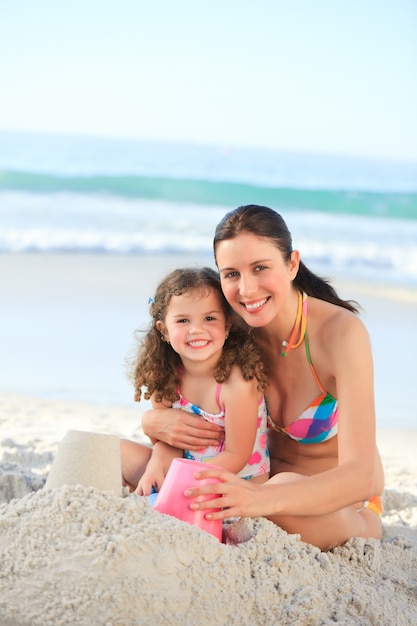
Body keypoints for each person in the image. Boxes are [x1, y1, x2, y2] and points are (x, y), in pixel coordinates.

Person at [140, 205, 384, 551]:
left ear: (292, 264)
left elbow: (359, 478)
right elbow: (177, 385)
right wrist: (156, 423)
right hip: (246, 482)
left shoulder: (340, 334)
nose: (247, 289)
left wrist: (261, 499)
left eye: (260, 268)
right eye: (231, 274)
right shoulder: (230, 328)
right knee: (97, 453)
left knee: (266, 497)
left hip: (332, 504)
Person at [121, 266, 270, 496]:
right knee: (111, 451)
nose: (197, 330)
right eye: (182, 321)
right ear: (164, 331)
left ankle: (158, 497)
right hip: (183, 476)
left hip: (234, 484)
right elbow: (169, 441)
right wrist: (156, 467)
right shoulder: (165, 376)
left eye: (209, 318)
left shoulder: (237, 384)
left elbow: (237, 456)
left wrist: (183, 482)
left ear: (227, 324)